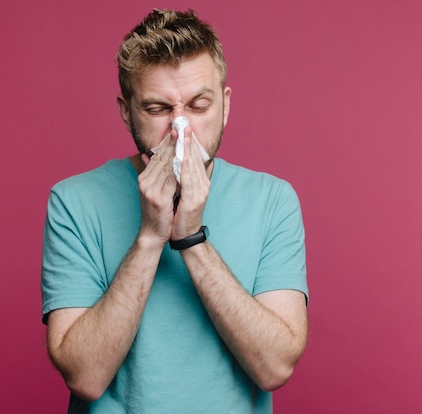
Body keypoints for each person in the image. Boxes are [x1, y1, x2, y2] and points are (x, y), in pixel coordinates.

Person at [41, 8, 308, 413]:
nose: (180, 129)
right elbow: (85, 377)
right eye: (157, 109)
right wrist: (151, 235)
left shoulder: (273, 200)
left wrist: (191, 239)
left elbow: (274, 368)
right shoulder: (74, 201)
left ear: (226, 105)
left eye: (199, 105)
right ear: (126, 110)